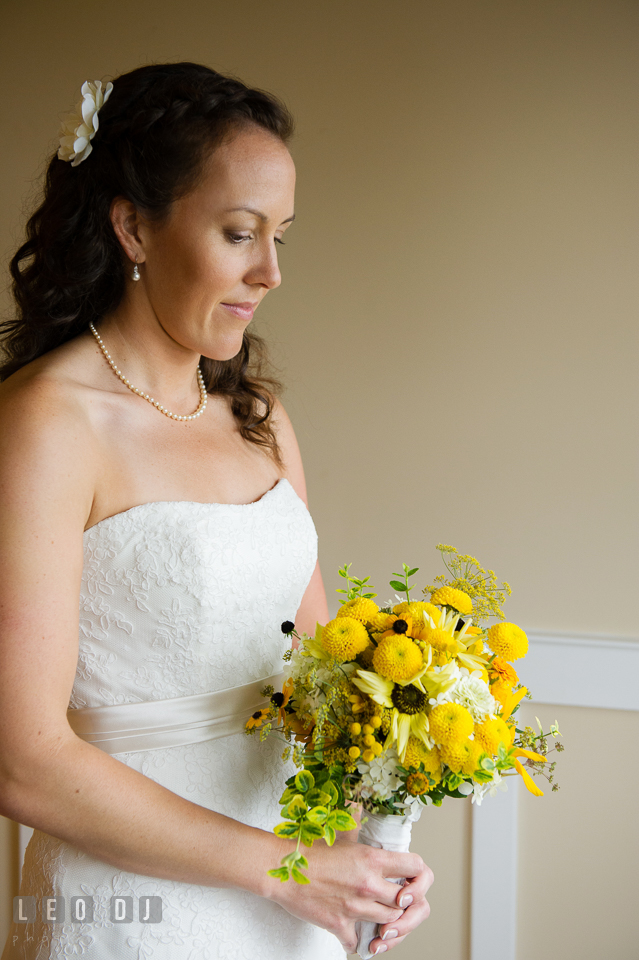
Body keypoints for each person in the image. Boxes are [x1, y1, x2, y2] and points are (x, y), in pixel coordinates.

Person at [0, 62, 433, 959]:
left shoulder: (259, 418)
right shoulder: (46, 424)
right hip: (131, 906)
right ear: (132, 227)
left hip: (292, 894)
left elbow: (321, 674)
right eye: (239, 233)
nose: (270, 271)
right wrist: (281, 868)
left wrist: (371, 842)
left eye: (281, 236)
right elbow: (21, 759)